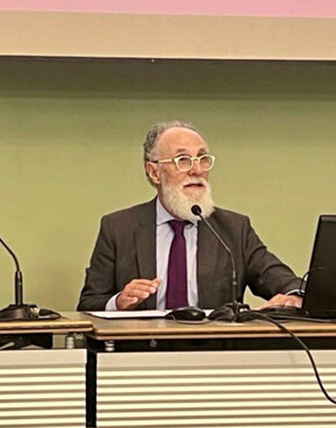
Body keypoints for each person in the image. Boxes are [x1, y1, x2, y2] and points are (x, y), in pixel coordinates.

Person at [77, 121, 302, 312]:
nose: (197, 170)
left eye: (202, 159)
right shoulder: (119, 228)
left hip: (213, 347)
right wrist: (119, 302)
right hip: (142, 347)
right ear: (154, 172)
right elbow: (89, 304)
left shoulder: (233, 228)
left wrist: (295, 295)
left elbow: (279, 278)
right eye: (183, 160)